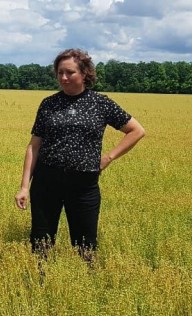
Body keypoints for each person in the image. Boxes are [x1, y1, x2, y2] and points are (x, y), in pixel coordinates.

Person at [15, 48, 145, 260]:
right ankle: (39, 285)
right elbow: (34, 146)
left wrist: (108, 158)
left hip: (84, 185)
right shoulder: (49, 104)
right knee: (41, 242)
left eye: (70, 72)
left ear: (85, 74)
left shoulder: (100, 103)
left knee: (85, 245)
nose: (63, 78)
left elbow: (137, 131)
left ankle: (84, 281)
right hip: (47, 182)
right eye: (59, 73)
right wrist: (23, 187)